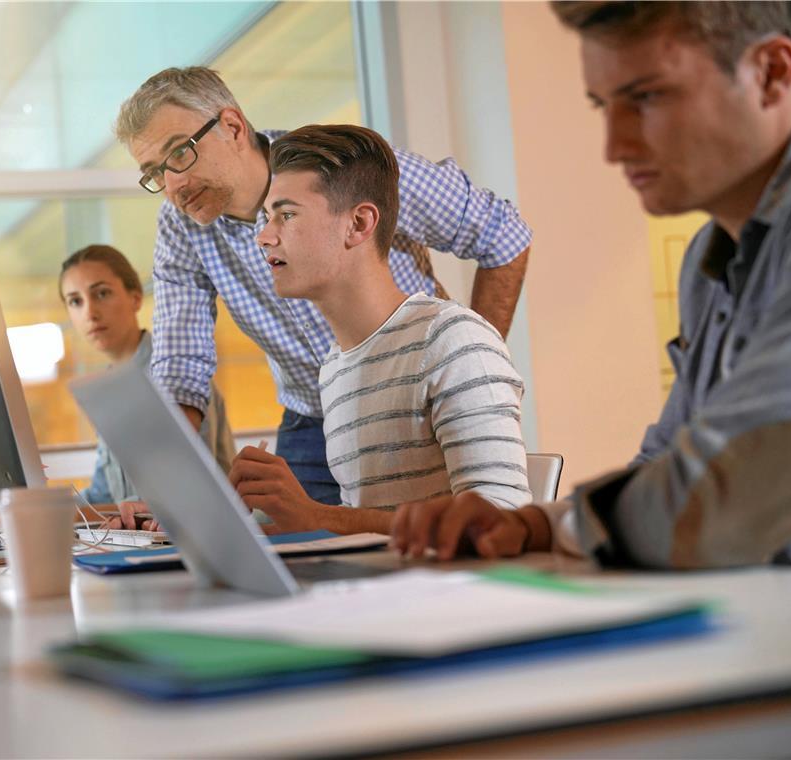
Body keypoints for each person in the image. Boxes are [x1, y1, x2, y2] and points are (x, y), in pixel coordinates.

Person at [391, 1, 791, 568]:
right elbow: (670, 462)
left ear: (773, 73)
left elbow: (725, 497)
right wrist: (531, 524)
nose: (614, 148)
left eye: (648, 97)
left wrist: (557, 525)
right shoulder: (709, 259)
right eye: (604, 106)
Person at [115, 67, 533, 505]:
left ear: (232, 127)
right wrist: (163, 488)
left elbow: (502, 235)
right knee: (301, 559)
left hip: (411, 401)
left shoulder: (344, 171)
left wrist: (467, 364)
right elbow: (181, 365)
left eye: (180, 153)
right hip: (313, 412)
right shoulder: (182, 227)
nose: (173, 184)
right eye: (155, 172)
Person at [228, 124, 531, 536]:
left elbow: (499, 526)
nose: (263, 237)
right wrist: (211, 525)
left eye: (287, 214)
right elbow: (360, 532)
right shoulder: (336, 369)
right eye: (267, 217)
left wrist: (318, 516)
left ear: (358, 224)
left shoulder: (453, 341)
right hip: (379, 591)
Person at [59, 244, 236, 529]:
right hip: (142, 540)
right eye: (75, 301)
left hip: (202, 535)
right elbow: (105, 496)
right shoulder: (107, 389)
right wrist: (18, 513)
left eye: (102, 293)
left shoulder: (179, 371)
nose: (90, 312)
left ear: (136, 298)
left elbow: (194, 490)